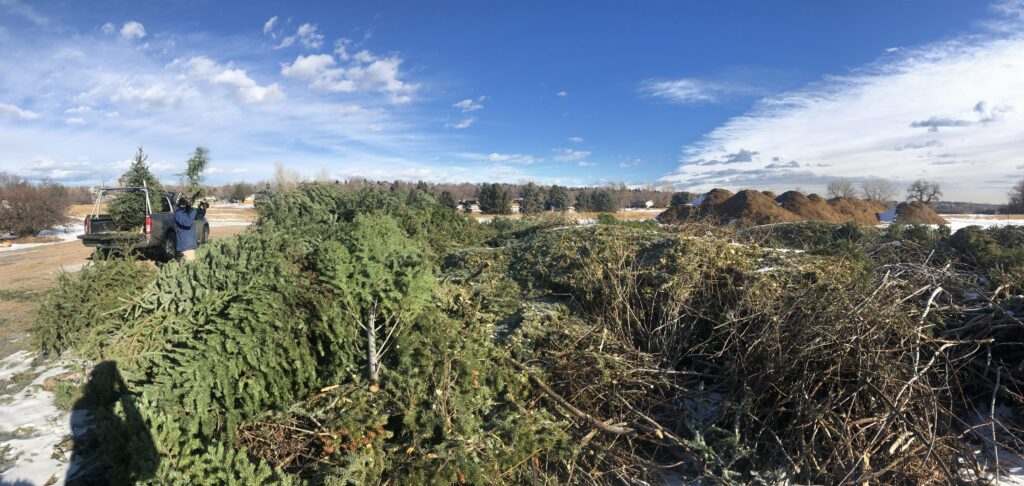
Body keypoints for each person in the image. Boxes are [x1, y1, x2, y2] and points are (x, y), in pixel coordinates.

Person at [173, 196, 199, 261]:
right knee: (189, 267)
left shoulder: (186, 211)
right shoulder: (178, 213)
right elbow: (188, 223)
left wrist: (202, 208)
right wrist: (192, 209)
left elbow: (199, 216)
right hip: (186, 247)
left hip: (189, 245)